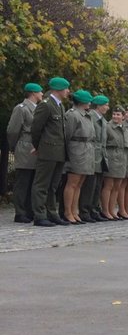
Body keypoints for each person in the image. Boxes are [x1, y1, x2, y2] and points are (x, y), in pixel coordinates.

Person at [30, 77, 72, 227]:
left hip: (59, 151)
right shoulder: (46, 105)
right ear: (59, 89)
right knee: (42, 184)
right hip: (48, 150)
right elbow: (36, 129)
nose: (68, 91)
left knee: (53, 185)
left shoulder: (59, 106)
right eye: (66, 88)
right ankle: (40, 214)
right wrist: (39, 146)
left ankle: (52, 213)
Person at [6, 82, 43, 223]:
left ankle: (29, 210)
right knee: (23, 180)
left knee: (33, 180)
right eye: (40, 91)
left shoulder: (38, 108)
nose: (41, 94)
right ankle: (20, 212)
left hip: (34, 146)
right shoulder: (21, 108)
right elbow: (13, 130)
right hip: (25, 145)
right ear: (33, 93)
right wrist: (14, 146)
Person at [62, 90, 96, 224]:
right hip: (76, 149)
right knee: (72, 183)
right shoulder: (73, 115)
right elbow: (67, 135)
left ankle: (75, 211)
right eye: (88, 101)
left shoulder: (87, 115)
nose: (89, 103)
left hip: (86, 149)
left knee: (79, 184)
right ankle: (67, 211)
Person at [81, 94, 111, 222]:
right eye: (105, 105)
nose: (107, 107)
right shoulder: (92, 117)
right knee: (90, 185)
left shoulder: (102, 120)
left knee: (97, 185)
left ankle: (94, 209)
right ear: (98, 105)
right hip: (92, 154)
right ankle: (85, 210)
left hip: (101, 155)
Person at [102, 107, 128, 219]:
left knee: (117, 186)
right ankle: (105, 210)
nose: (115, 117)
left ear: (123, 116)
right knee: (109, 185)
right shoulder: (108, 127)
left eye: (118, 114)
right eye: (114, 114)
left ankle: (112, 210)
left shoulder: (125, 128)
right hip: (112, 157)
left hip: (122, 158)